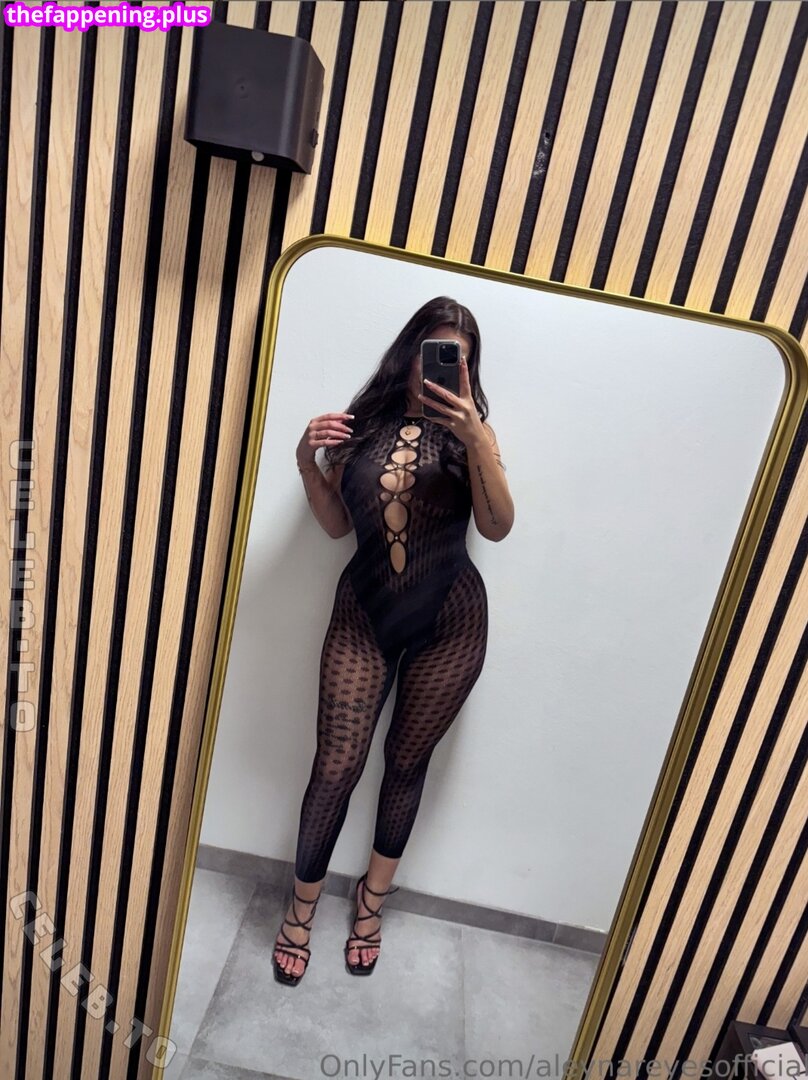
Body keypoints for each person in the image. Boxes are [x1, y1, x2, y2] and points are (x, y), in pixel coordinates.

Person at [273, 296, 514, 985]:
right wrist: (306, 458)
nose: (442, 367)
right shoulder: (360, 425)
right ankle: (301, 908)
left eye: (459, 359)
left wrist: (476, 439)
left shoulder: (475, 437)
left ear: (469, 368)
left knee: (406, 764)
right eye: (434, 351)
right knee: (335, 768)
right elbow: (335, 527)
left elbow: (497, 526)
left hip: (451, 622)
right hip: (363, 616)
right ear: (408, 351)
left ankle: (371, 903)